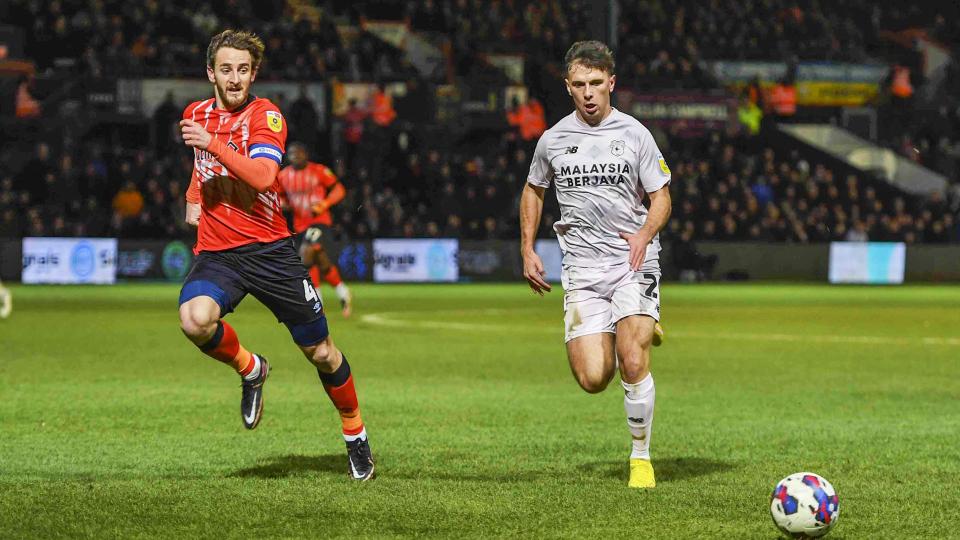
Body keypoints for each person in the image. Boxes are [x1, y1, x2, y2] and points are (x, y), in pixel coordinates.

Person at [177, 30, 374, 481]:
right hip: (219, 253)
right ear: (210, 73)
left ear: (254, 74)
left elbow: (265, 177)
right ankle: (251, 368)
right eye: (225, 69)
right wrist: (193, 195)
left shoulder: (266, 116)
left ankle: (355, 432)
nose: (234, 78)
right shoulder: (196, 114)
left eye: (243, 70)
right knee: (194, 319)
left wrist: (212, 143)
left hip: (270, 253)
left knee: (321, 353)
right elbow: (200, 166)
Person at [519, 41, 672, 488]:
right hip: (583, 270)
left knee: (632, 359)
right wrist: (527, 248)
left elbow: (661, 197)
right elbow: (533, 189)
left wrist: (644, 234)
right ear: (567, 87)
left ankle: (640, 457)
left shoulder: (635, 134)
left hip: (632, 260)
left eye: (596, 83)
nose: (588, 93)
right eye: (580, 84)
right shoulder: (553, 139)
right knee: (592, 378)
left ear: (612, 83)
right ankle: (639, 325)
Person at [277, 142, 353, 317]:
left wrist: (325, 203)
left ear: (306, 154)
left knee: (307, 252)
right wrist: (283, 204)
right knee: (319, 261)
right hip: (300, 225)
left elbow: (339, 189)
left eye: (299, 153)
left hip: (319, 222)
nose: (296, 156)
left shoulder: (319, 171)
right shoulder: (283, 176)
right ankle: (343, 292)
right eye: (292, 154)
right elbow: (276, 196)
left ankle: (317, 302)